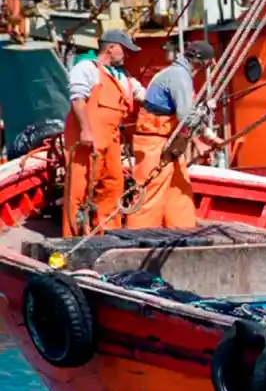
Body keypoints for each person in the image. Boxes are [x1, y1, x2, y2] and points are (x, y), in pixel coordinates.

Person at [126, 40, 224, 229]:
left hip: (167, 140)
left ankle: (182, 231)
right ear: (203, 62)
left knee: (179, 189)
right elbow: (186, 116)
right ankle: (137, 235)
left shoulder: (176, 74)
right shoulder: (180, 76)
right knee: (150, 192)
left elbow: (186, 115)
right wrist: (206, 136)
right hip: (155, 142)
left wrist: (209, 137)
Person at [63, 29, 146, 237]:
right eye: (125, 50)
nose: (127, 55)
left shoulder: (124, 77)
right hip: (86, 140)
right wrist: (85, 130)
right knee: (80, 189)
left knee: (113, 185)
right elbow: (77, 99)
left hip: (111, 140)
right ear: (111, 48)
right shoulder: (86, 68)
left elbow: (145, 96)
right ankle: (73, 237)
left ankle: (108, 234)